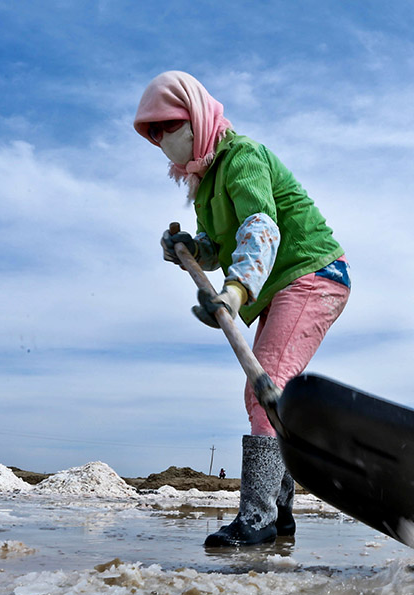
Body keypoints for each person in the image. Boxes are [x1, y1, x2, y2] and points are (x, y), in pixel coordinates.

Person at [134, 71, 350, 548]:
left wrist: (234, 293)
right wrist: (191, 248)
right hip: (277, 287)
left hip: (312, 275)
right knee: (269, 399)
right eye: (151, 134)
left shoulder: (242, 157)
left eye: (167, 127)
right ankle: (282, 511)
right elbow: (221, 244)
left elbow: (260, 227)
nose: (161, 141)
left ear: (195, 117)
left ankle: (258, 518)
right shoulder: (205, 183)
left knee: (263, 390)